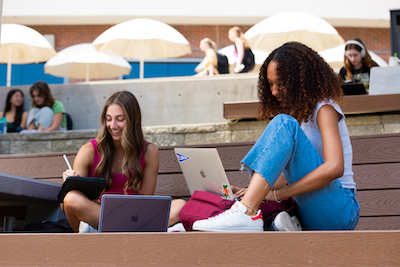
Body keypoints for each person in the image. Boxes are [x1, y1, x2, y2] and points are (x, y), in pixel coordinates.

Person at [192, 42, 360, 232]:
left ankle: (246, 213)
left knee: (284, 123)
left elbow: (335, 167)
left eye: (280, 83)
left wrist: (277, 194)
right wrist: (255, 192)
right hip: (308, 209)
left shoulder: (325, 107)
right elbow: (282, 178)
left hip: (339, 209)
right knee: (285, 123)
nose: (273, 91)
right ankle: (252, 210)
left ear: (300, 80)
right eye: (270, 84)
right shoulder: (299, 115)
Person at [61, 91, 185, 233]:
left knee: (180, 205)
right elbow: (66, 206)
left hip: (134, 216)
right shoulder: (89, 151)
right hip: (98, 215)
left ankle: (112, 230)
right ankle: (127, 230)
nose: (113, 125)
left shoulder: (149, 151)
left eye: (120, 119)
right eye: (108, 119)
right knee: (71, 199)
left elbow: (146, 200)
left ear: (134, 120)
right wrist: (70, 185)